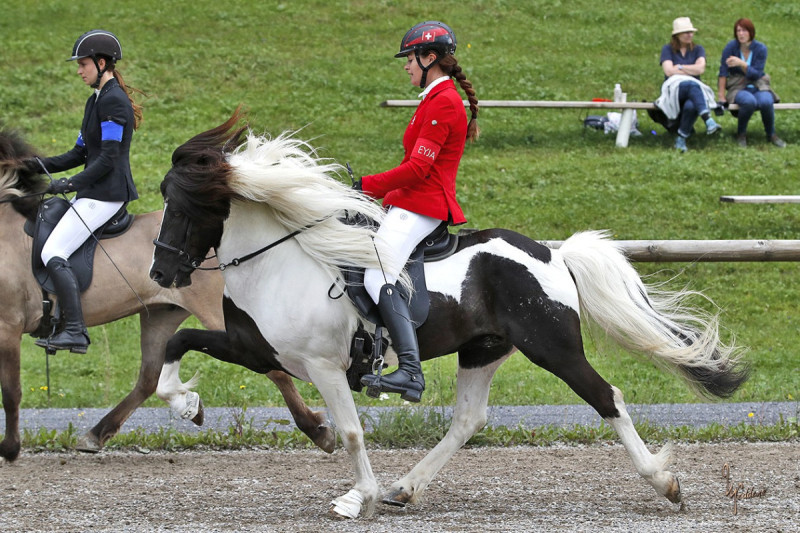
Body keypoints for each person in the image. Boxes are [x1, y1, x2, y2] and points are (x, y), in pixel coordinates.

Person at [355, 20, 479, 402]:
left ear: (430, 58)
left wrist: (364, 186)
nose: (406, 65)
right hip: (409, 201)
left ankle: (409, 370)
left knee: (376, 275)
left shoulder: (443, 102)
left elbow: (418, 170)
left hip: (424, 205)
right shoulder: (432, 98)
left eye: (409, 58)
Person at [27, 30, 142, 353]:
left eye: (83, 64)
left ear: (101, 63)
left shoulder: (114, 102)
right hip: (92, 192)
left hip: (106, 194)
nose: (79, 71)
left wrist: (68, 184)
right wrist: (33, 166)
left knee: (53, 253)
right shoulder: (96, 100)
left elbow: (108, 157)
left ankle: (75, 330)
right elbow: (79, 153)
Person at [717, 18, 785, 148]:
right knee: (749, 102)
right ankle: (741, 134)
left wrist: (741, 63)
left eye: (744, 30)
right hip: (738, 87)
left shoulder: (760, 48)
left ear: (751, 32)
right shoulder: (731, 47)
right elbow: (723, 71)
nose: (741, 34)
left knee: (766, 101)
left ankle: (771, 134)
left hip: (758, 84)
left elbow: (757, 74)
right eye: (738, 31)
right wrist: (721, 96)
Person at [657, 17, 720, 152]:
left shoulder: (698, 49)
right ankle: (707, 118)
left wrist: (679, 67)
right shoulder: (667, 49)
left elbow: (700, 69)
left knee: (691, 105)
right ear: (677, 35)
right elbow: (668, 71)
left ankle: (681, 138)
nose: (690, 35)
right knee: (692, 85)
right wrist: (690, 69)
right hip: (674, 89)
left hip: (693, 90)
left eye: (691, 32)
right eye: (686, 32)